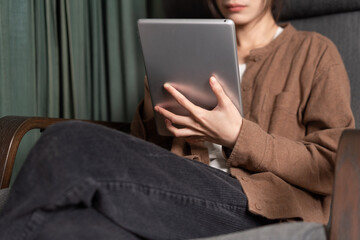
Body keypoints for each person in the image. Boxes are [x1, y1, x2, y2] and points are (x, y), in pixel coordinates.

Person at [0, 0, 354, 239]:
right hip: (176, 194)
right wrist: (156, 104)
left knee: (66, 140)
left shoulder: (314, 52)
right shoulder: (187, 46)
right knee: (67, 226)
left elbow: (332, 164)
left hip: (260, 206)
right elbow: (143, 151)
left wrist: (238, 135)